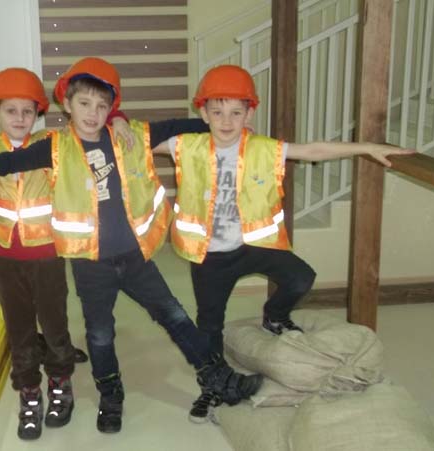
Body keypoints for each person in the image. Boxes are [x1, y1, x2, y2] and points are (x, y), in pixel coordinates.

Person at [0, 57, 263, 434]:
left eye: (101, 106)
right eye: (84, 104)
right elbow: (10, 162)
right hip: (90, 265)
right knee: (99, 334)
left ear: (111, 109)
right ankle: (111, 397)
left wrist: (226, 128)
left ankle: (219, 379)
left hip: (134, 259)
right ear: (67, 105)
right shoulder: (56, 148)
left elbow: (180, 126)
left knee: (175, 316)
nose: (92, 113)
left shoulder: (128, 136)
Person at [153, 64, 415, 422]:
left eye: (236, 112)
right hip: (209, 257)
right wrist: (117, 124)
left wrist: (366, 148)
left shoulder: (263, 148)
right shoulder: (185, 146)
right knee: (210, 325)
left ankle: (275, 316)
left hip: (252, 246)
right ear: (203, 113)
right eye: (217, 112)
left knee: (301, 277)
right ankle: (212, 387)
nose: (227, 121)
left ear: (249, 114)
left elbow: (312, 150)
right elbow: (133, 143)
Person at [0, 67, 90, 441]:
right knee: (20, 331)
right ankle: (29, 393)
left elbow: (86, 139)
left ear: (38, 114)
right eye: (11, 111)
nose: (20, 119)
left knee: (54, 327)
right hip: (7, 258)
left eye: (28, 111)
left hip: (47, 257)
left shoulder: (52, 143)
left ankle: (60, 384)